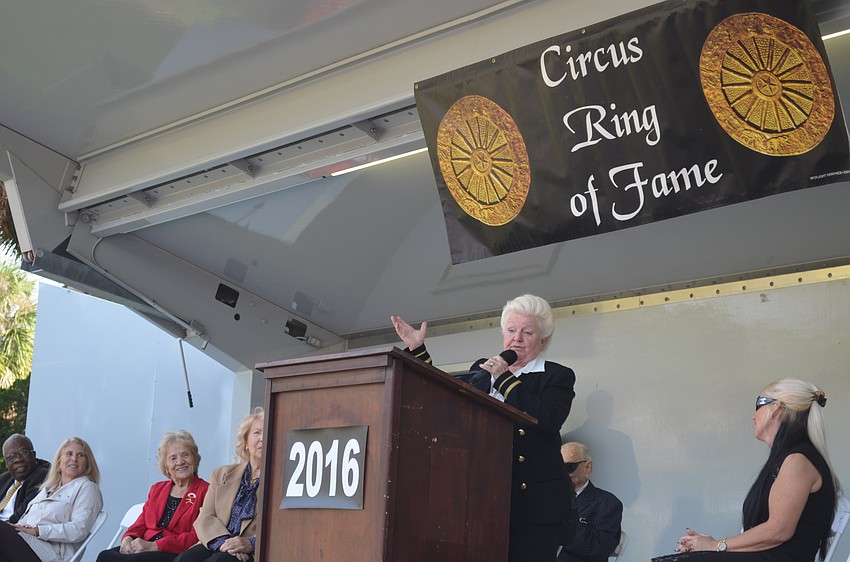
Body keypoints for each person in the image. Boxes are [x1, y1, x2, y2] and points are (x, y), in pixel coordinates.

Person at [392, 294, 576, 562]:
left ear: (543, 340)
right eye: (511, 331)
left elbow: (546, 420)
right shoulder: (482, 371)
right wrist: (418, 351)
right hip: (483, 498)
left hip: (535, 506)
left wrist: (504, 379)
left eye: (527, 332)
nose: (517, 339)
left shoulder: (556, 375)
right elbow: (449, 404)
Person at [654, 379, 839, 562]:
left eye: (758, 404)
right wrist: (711, 545)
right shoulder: (791, 459)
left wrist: (715, 546)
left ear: (776, 408)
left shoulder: (798, 460)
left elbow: (778, 531)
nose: (753, 416)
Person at [95, 430, 210, 562]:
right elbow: (140, 523)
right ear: (166, 466)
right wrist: (128, 538)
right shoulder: (157, 489)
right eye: (173, 458)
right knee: (105, 556)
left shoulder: (205, 491)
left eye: (185, 455)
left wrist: (155, 546)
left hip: (173, 551)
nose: (180, 462)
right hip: (144, 545)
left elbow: (196, 537)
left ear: (195, 460)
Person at [174, 408, 263, 562]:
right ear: (246, 441)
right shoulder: (221, 474)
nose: (262, 438)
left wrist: (251, 542)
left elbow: (283, 527)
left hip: (253, 551)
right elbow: (205, 517)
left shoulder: (280, 482)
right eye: (257, 433)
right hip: (217, 542)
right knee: (184, 559)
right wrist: (226, 544)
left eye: (267, 432)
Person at [0, 436, 103, 562]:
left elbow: (79, 529)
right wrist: (13, 527)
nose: (74, 459)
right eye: (69, 454)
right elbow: (27, 518)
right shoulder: (48, 488)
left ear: (87, 463)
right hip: (27, 541)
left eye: (81, 455)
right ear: (59, 462)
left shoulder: (87, 488)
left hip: (51, 553)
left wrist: (38, 531)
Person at [557, 442, 622, 562]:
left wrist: (555, 525)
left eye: (569, 467)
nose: (563, 474)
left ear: (587, 467)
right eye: (558, 468)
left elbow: (599, 548)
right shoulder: (549, 498)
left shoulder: (607, 503)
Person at [0, 434, 51, 524]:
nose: (18, 459)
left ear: (33, 455)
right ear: (6, 464)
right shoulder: (4, 478)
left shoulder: (42, 476)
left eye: (23, 452)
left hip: (13, 530)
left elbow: (23, 514)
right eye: (11, 457)